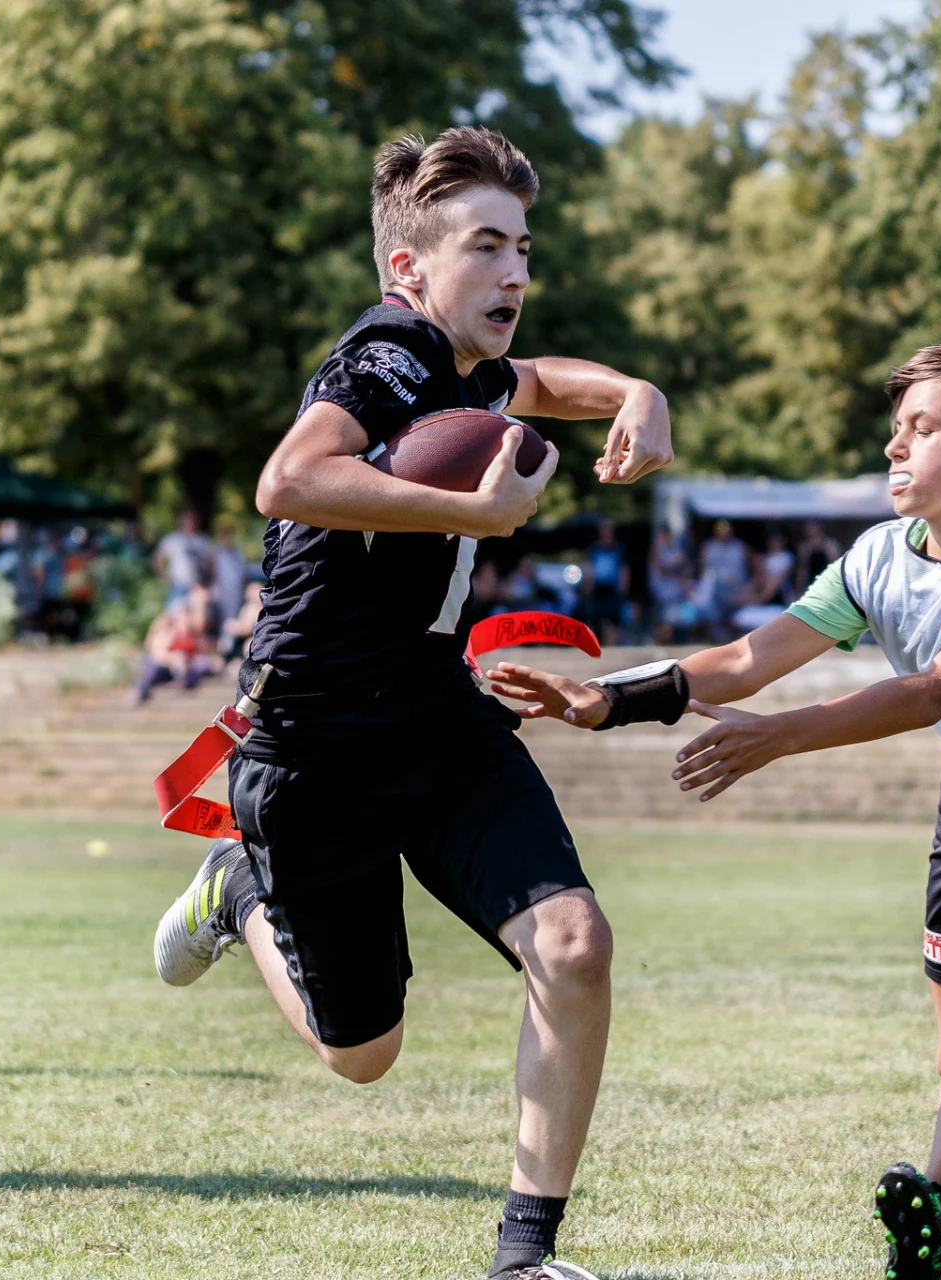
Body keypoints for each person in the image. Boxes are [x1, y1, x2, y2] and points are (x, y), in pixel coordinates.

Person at [490, 342, 941, 1278]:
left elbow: (930, 692)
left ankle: (934, 1208)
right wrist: (609, 699)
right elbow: (749, 659)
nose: (894, 446)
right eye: (896, 427)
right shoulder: (880, 557)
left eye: (922, 428)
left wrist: (778, 737)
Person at [149, 127, 672, 1280]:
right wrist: (473, 516)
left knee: (575, 943)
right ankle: (239, 888)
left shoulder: (473, 367)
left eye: (524, 248)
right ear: (409, 269)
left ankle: (524, 1257)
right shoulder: (389, 348)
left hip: (435, 716)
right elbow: (288, 478)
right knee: (363, 1053)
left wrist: (637, 391)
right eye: (486, 245)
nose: (515, 271)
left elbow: (544, 383)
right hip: (314, 740)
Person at [152, 508, 211, 608]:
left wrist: (207, 581)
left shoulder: (202, 540)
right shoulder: (173, 539)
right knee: (174, 613)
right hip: (178, 586)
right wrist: (165, 577)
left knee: (197, 615)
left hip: (197, 587)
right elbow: (158, 558)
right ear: (182, 521)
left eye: (193, 520)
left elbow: (210, 563)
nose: (190, 522)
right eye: (188, 519)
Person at [583, 521, 628, 644]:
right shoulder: (594, 548)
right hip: (597, 588)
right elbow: (589, 568)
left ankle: (611, 645)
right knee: (594, 617)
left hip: (613, 588)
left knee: (612, 620)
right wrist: (588, 585)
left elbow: (624, 569)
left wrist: (623, 587)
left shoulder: (619, 549)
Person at [647, 526, 688, 642]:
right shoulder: (656, 550)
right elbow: (662, 567)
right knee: (660, 618)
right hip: (659, 591)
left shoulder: (674, 549)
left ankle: (669, 639)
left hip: (673, 592)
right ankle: (658, 638)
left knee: (672, 618)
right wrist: (674, 566)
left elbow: (682, 564)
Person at [796, 519, 841, 596]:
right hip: (810, 583)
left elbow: (835, 565)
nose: (809, 530)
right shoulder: (804, 547)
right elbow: (802, 569)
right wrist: (799, 588)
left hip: (827, 583)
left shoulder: (829, 544)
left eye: (811, 526)